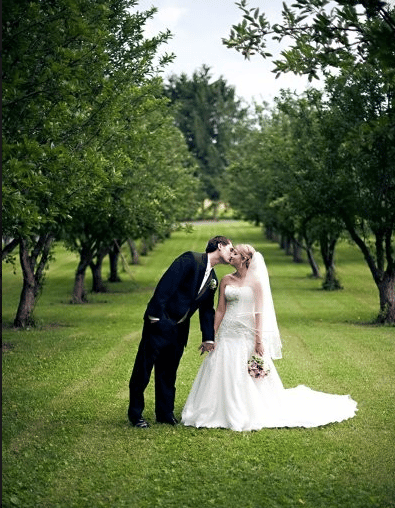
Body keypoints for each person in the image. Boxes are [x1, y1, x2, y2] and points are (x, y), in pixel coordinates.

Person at [181, 244, 358, 431]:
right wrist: (211, 336)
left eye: (235, 253)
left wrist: (259, 340)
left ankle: (247, 408)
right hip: (227, 332)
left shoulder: (256, 282)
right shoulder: (225, 280)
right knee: (219, 365)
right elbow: (221, 310)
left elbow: (259, 313)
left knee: (247, 372)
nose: (230, 255)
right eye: (231, 251)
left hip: (246, 333)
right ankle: (215, 407)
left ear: (245, 259)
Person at [128, 236, 234, 428]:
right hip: (159, 324)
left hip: (179, 330)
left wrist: (208, 337)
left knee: (168, 373)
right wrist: (154, 317)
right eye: (230, 249)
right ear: (220, 246)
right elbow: (165, 286)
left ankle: (165, 413)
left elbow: (207, 310)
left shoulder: (213, 279)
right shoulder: (190, 260)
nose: (232, 253)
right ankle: (136, 415)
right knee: (143, 370)